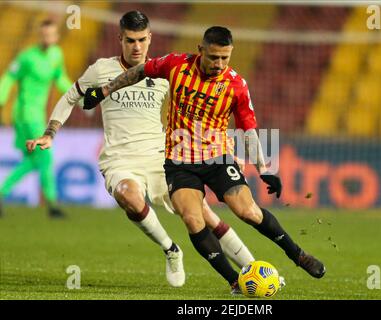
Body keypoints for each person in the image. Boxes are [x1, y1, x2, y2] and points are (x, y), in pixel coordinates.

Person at [81, 26, 326, 293]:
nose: (219, 64)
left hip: (217, 158)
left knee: (248, 212)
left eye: (225, 58)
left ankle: (298, 255)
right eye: (213, 57)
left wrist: (264, 168)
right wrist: (105, 90)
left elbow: (248, 129)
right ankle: (234, 281)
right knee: (193, 219)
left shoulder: (236, 85)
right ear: (201, 51)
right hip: (179, 162)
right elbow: (140, 71)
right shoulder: (176, 65)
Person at [27, 11, 259, 288]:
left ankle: (255, 270)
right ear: (120, 39)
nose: (136, 46)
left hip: (163, 157)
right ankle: (171, 249)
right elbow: (70, 97)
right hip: (119, 158)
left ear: (149, 39)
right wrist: (50, 133)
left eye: (141, 40)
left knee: (204, 215)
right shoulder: (101, 69)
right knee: (129, 196)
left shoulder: (163, 72)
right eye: (130, 40)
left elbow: (199, 114)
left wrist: (225, 151)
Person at [0, 19, 72, 218]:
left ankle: (3, 193)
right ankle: (52, 204)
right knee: (45, 156)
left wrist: (80, 97)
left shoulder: (56, 55)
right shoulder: (27, 57)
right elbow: (9, 77)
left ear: (56, 37)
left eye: (51, 34)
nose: (47, 38)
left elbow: (60, 79)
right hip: (25, 114)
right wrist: (1, 97)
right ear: (40, 36)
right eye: (44, 34)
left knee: (33, 161)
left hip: (38, 115)